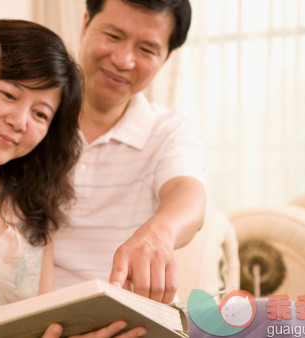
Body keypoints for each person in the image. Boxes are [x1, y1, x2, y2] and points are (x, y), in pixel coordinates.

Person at [0, 19, 146, 338]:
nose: (19, 122)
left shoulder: (34, 213)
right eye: (8, 94)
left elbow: (45, 323)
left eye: (40, 114)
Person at [53, 0, 207, 305]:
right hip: (45, 315)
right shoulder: (30, 121)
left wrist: (159, 232)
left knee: (292, 321)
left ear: (166, 58)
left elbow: (188, 194)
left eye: (147, 50)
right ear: (85, 24)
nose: (123, 60)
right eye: (113, 36)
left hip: (132, 317)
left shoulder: (169, 131)